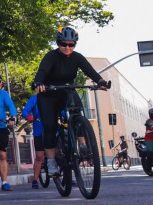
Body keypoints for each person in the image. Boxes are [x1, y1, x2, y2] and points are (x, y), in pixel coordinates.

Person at [33, 26, 109, 177]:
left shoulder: (77, 57)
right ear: (58, 43)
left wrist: (100, 81)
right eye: (64, 44)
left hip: (67, 91)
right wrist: (38, 83)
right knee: (49, 125)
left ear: (75, 44)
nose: (67, 47)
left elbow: (90, 71)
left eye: (71, 44)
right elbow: (41, 72)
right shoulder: (51, 56)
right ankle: (51, 161)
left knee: (79, 114)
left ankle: (82, 146)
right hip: (48, 93)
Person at [22, 94, 44, 189]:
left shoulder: (54, 97)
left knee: (60, 153)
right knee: (39, 156)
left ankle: (67, 177)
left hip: (53, 129)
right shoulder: (35, 98)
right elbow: (25, 112)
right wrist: (31, 118)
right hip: (39, 130)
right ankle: (35, 179)